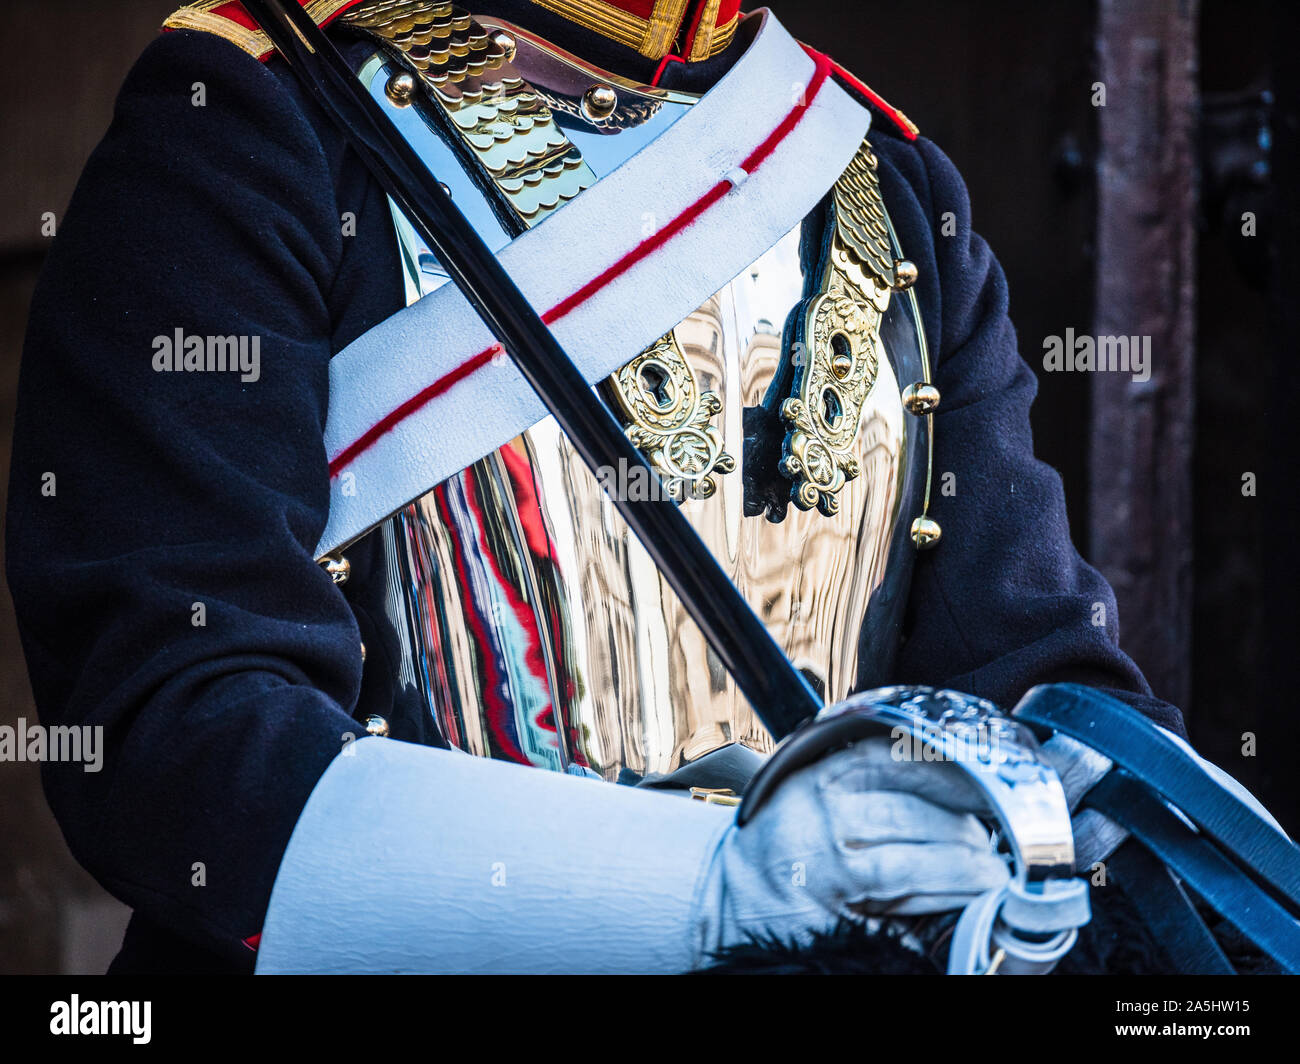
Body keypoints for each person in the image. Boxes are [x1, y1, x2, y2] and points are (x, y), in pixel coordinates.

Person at [5, 0, 1186, 973]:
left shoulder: (875, 169)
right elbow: (172, 739)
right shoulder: (257, 115)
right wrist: (714, 892)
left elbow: (1041, 681)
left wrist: (1133, 845)